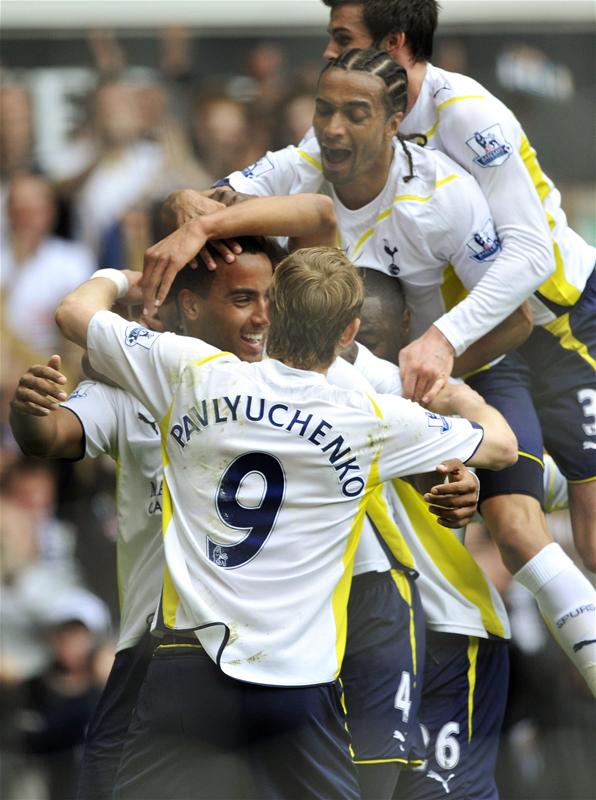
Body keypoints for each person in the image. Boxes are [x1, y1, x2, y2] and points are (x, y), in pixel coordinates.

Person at [157, 46, 595, 698]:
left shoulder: (446, 193)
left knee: (514, 518)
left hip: (456, 358)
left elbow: (514, 321)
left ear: (394, 120)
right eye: (324, 110)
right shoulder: (301, 165)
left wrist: (440, 352)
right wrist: (192, 211)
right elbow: (229, 202)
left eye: (354, 113)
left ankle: (541, 483)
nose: (334, 128)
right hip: (359, 366)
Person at [54, 246, 516, 800]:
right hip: (297, 681)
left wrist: (126, 279)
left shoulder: (192, 372)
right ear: (348, 333)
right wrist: (459, 395)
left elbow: (74, 313)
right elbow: (503, 447)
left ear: (271, 311)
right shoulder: (368, 420)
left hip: (188, 665)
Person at [9, 195, 332, 800]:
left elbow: (322, 222)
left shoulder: (297, 390)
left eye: (270, 300)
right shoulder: (138, 389)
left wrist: (192, 235)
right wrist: (27, 412)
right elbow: (51, 436)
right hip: (157, 655)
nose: (264, 317)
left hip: (272, 658)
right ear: (187, 303)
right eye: (242, 299)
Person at [318, 0, 596, 691]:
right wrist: (212, 202)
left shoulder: (467, 114)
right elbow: (285, 175)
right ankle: (547, 472)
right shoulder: (350, 117)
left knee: (592, 539)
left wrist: (440, 338)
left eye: (341, 38)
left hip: (565, 322)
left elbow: (531, 255)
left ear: (394, 43)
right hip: (490, 342)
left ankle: (559, 474)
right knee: (512, 521)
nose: (329, 53)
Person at [344, 268, 511, 800]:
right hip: (349, 636)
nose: (358, 347)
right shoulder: (326, 385)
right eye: (353, 335)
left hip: (446, 625)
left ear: (407, 331)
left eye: (371, 339)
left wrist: (473, 486)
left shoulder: (424, 398)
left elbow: (507, 458)